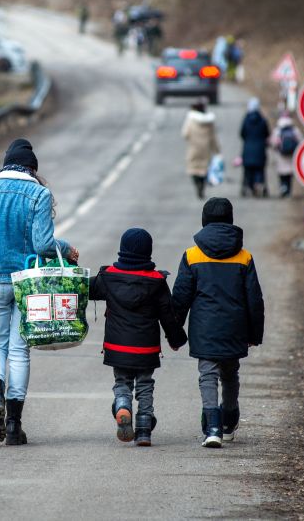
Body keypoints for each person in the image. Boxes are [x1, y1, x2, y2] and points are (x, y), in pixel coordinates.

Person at [0, 138, 79, 446]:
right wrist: (66, 249)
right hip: (28, 285)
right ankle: (13, 425)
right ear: (32, 169)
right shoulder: (39, 194)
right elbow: (44, 246)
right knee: (20, 350)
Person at [171, 198, 265, 448]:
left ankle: (212, 426)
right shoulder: (244, 257)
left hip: (204, 327)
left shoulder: (192, 255)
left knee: (208, 375)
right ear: (231, 220)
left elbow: (181, 297)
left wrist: (174, 331)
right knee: (230, 373)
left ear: (204, 221)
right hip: (235, 327)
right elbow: (254, 299)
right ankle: (229, 418)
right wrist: (255, 334)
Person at [89, 228, 187, 447]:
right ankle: (143, 430)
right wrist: (176, 339)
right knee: (145, 385)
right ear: (148, 252)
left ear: (122, 250)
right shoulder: (157, 281)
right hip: (146, 348)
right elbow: (168, 316)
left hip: (117, 347)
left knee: (122, 381)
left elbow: (85, 288)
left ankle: (123, 405)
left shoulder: (108, 277)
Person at [181, 100, 220, 200]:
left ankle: (197, 185)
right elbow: (213, 137)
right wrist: (217, 151)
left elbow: (185, 134)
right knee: (204, 169)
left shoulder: (191, 120)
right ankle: (202, 187)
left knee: (194, 169)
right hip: (206, 150)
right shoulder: (209, 122)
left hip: (194, 149)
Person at [240, 98, 270, 197]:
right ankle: (259, 184)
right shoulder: (262, 120)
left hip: (248, 149)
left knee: (248, 171)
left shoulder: (246, 119)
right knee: (259, 170)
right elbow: (267, 134)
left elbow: (242, 133)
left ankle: (249, 187)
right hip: (260, 150)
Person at [269, 114, 302, 197]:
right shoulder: (295, 130)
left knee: (282, 174)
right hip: (291, 155)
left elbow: (273, 143)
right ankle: (288, 190)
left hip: (281, 156)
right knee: (289, 174)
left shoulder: (278, 130)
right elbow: (301, 141)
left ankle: (283, 187)